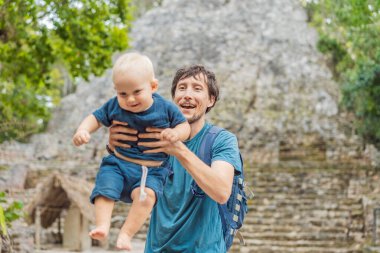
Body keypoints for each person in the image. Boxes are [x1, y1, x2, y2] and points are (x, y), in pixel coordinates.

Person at [108, 65, 242, 252]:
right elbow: (131, 193)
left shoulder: (221, 140)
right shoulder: (155, 139)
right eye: (182, 87)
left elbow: (221, 191)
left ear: (211, 100)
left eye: (197, 88)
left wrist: (179, 150)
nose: (187, 94)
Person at [72, 52, 190, 250]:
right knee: (104, 190)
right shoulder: (113, 106)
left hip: (151, 170)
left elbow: (184, 126)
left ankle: (126, 234)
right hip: (118, 163)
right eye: (122, 94)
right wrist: (83, 130)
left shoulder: (165, 108)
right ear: (116, 91)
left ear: (153, 87)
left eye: (136, 92)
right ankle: (102, 225)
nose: (130, 99)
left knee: (146, 197)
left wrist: (175, 133)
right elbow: (95, 118)